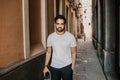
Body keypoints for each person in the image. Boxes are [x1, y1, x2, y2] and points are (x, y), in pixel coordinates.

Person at [43, 15, 77, 80]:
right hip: (54, 67)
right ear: (55, 24)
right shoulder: (50, 37)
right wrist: (46, 66)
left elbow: (74, 53)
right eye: (58, 24)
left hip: (67, 66)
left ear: (65, 24)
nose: (60, 26)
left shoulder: (70, 37)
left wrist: (72, 68)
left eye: (62, 24)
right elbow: (48, 52)